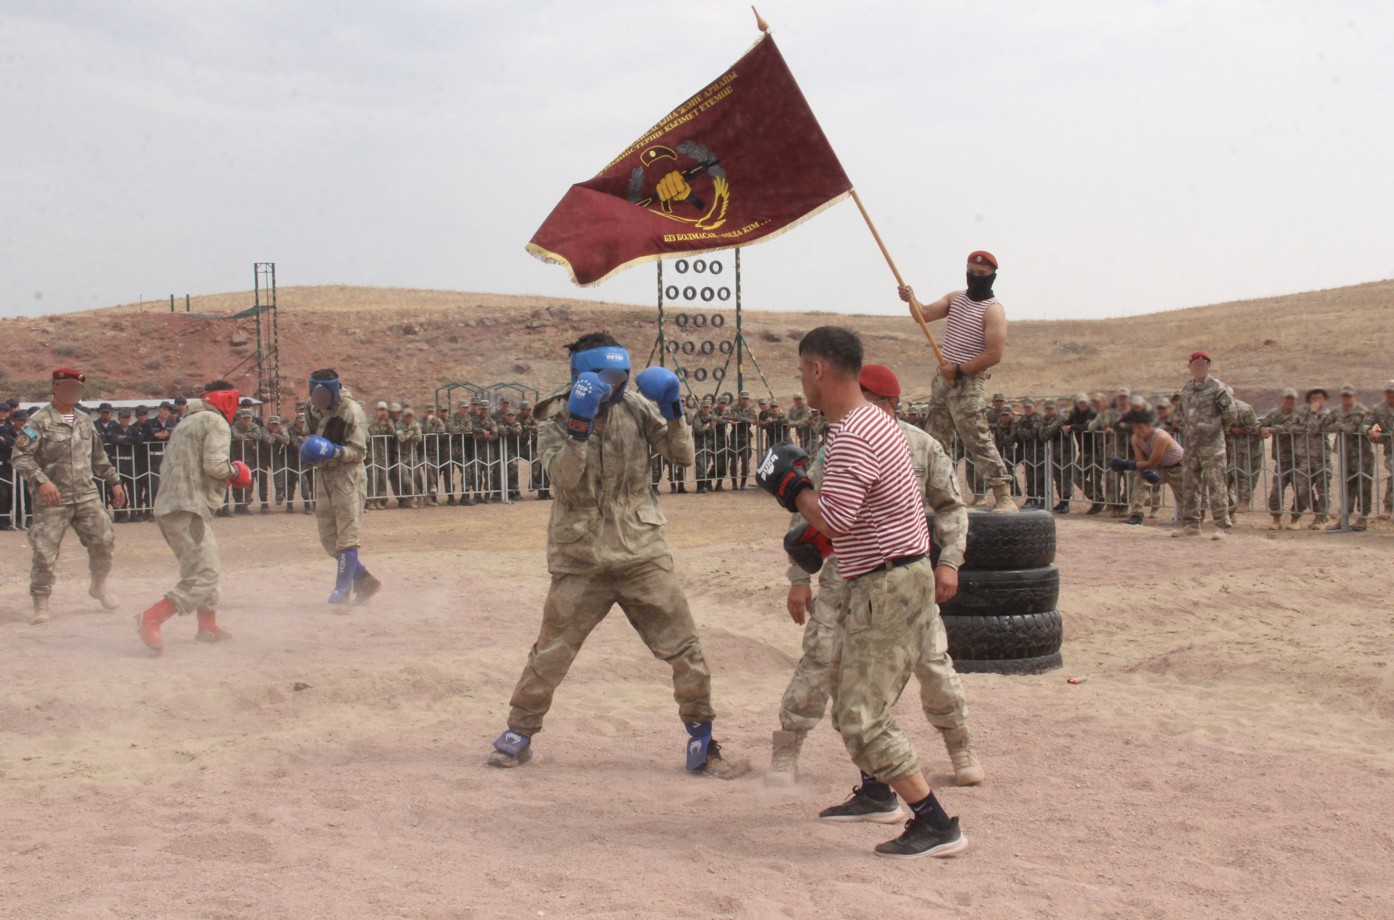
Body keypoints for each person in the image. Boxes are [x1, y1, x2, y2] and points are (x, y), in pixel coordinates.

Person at [757, 326, 968, 859]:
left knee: (861, 714)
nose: (801, 382)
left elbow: (835, 521)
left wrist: (793, 487)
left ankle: (937, 824)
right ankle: (878, 793)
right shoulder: (873, 423)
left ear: (818, 370)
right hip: (880, 578)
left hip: (887, 584)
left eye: (802, 370)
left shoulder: (853, 434)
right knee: (854, 696)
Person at [487, 333, 730, 776]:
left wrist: (674, 410)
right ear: (582, 374)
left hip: (642, 551)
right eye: (605, 375)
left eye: (620, 375)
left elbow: (683, 458)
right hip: (581, 557)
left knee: (684, 648)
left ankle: (703, 738)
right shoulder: (555, 416)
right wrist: (579, 428)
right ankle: (519, 732)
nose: (614, 384)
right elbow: (563, 481)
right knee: (551, 651)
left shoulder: (637, 407)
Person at [136, 381, 250, 653]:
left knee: (202, 566)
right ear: (228, 401)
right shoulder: (216, 422)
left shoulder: (186, 421)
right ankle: (152, 617)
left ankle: (207, 625)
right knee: (205, 573)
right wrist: (236, 471)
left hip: (172, 506)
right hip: (188, 508)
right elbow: (214, 465)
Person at [898, 250, 1017, 512]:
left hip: (968, 382)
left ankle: (1003, 495)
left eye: (981, 275)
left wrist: (960, 370)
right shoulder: (956, 299)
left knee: (976, 438)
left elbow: (994, 353)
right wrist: (911, 299)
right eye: (971, 273)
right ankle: (937, 494)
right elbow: (924, 315)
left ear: (992, 277)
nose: (975, 277)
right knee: (934, 439)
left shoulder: (993, 311)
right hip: (943, 379)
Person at [12, 368, 126, 625]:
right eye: (70, 388)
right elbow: (20, 456)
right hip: (53, 498)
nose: (75, 393)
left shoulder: (85, 420)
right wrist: (42, 482)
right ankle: (41, 601)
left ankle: (99, 587)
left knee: (104, 541)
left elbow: (98, 456)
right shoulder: (38, 421)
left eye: (79, 389)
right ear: (56, 388)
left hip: (86, 495)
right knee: (45, 551)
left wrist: (114, 481)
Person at [299, 369, 382, 609]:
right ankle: (364, 580)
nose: (320, 401)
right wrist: (308, 447)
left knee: (347, 536)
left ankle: (343, 594)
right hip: (323, 474)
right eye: (316, 395)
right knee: (329, 538)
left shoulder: (351, 411)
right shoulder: (310, 407)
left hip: (348, 475)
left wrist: (334, 451)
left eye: (324, 396)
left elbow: (359, 452)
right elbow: (307, 435)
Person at [1176, 351, 1237, 539]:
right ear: (1190, 367)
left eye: (1203, 364)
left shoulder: (1218, 388)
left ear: (1208, 366)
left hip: (1212, 445)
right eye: (1195, 364)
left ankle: (1222, 525)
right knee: (1190, 484)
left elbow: (1231, 413)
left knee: (1216, 484)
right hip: (1191, 444)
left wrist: (1216, 429)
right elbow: (1180, 413)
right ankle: (1191, 524)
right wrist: (1186, 429)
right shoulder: (1187, 388)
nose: (1198, 367)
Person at [1112, 412, 1185, 526]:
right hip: (1159, 467)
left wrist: (1127, 464)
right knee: (1140, 478)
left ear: (1149, 426)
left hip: (1177, 467)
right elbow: (1142, 462)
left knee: (1185, 496)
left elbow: (1151, 462)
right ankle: (1136, 515)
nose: (1137, 430)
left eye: (1141, 427)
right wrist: (1140, 468)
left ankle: (1190, 519)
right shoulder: (1135, 439)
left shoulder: (1160, 437)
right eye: (1135, 427)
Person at [1324, 385, 1373, 531]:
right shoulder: (1336, 411)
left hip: (1362, 455)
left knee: (1363, 486)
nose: (1346, 399)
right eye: (1344, 396)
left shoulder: (1362, 411)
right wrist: (1340, 426)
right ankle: (1344, 517)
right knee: (1347, 487)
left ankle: (1363, 518)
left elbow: (1353, 429)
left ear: (1355, 397)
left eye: (1349, 396)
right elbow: (1324, 425)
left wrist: (1339, 426)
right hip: (1345, 455)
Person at [1261, 388, 1304, 529]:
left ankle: (1295, 519)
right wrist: (1262, 428)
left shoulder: (1301, 414)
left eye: (1292, 399)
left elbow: (1294, 428)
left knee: (1300, 490)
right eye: (1287, 398)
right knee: (1276, 490)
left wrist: (1272, 430)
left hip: (1299, 459)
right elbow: (1262, 424)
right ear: (1282, 399)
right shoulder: (1274, 413)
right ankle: (1276, 518)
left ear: (1296, 400)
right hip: (1282, 459)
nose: (1290, 401)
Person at [1297, 388, 1333, 530]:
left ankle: (1321, 517)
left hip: (1322, 457)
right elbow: (1294, 425)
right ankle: (1319, 511)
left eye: (1319, 398)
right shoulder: (1301, 411)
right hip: (1305, 456)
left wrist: (1313, 413)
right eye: (1313, 398)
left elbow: (1313, 428)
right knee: (1302, 488)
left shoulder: (1327, 414)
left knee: (1323, 488)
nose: (1316, 401)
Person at [1367, 380, 1394, 521]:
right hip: (1391, 450)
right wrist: (1370, 430)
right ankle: (1389, 507)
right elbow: (1367, 423)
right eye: (1389, 392)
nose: (1392, 395)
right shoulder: (1379, 409)